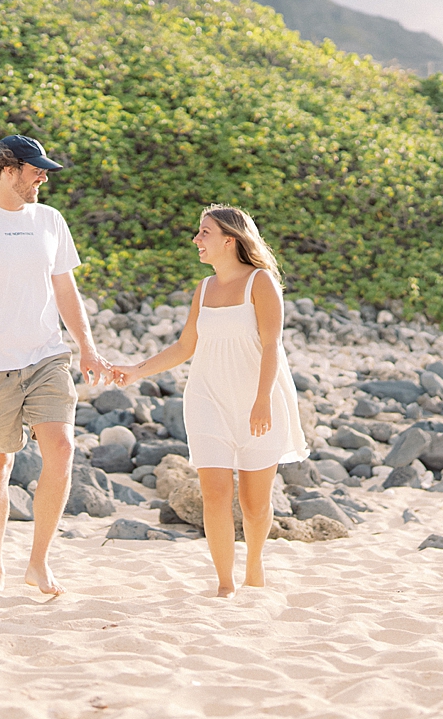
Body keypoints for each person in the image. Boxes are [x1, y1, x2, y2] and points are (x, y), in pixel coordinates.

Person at [0, 135, 112, 596]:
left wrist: (87, 348)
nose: (43, 177)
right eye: (36, 170)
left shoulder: (50, 220)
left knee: (62, 449)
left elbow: (66, 290)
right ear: (7, 170)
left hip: (46, 355)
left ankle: (38, 563)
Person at [112, 204, 308, 597]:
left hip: (257, 399)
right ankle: (224, 584)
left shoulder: (261, 282)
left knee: (254, 504)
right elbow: (186, 346)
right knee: (215, 494)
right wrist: (137, 370)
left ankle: (254, 567)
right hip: (207, 398)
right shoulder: (204, 289)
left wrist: (262, 400)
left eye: (204, 232)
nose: (196, 239)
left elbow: (272, 346)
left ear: (229, 240)